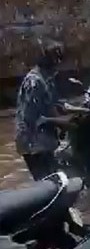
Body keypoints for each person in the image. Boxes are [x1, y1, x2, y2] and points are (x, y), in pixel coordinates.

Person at [15, 41, 72, 181]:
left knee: (54, 179)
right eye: (58, 61)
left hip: (44, 141)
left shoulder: (47, 79)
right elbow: (32, 119)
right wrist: (63, 122)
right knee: (47, 181)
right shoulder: (34, 82)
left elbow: (52, 105)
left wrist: (69, 110)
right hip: (34, 143)